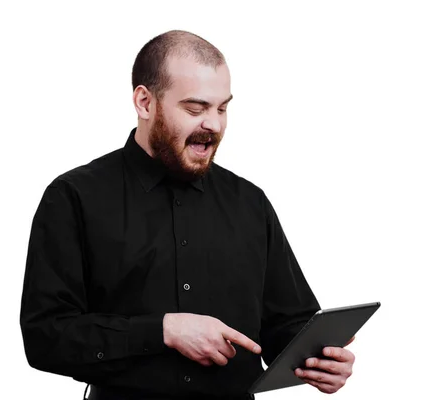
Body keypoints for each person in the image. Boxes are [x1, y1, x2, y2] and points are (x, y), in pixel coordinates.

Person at [19, 30, 356, 400]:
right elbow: (45, 337)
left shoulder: (250, 202)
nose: (213, 124)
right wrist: (164, 331)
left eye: (222, 108)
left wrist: (318, 359)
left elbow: (285, 326)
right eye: (195, 109)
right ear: (145, 102)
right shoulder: (74, 197)